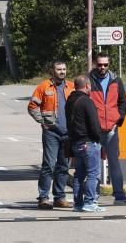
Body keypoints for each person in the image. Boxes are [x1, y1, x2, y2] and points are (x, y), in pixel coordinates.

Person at [27, 61, 74, 210]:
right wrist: (42, 122)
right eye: (59, 69)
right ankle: (44, 197)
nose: (62, 72)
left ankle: (59, 197)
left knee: (63, 166)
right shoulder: (43, 86)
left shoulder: (71, 87)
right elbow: (32, 106)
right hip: (51, 133)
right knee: (49, 165)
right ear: (52, 71)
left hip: (67, 133)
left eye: (64, 69)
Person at [89, 53, 126, 204]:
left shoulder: (116, 80)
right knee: (94, 164)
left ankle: (119, 194)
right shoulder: (89, 81)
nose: (103, 68)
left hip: (112, 129)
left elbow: (123, 102)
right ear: (95, 64)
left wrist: (118, 120)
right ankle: (93, 195)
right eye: (100, 64)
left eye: (105, 65)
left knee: (114, 162)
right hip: (95, 130)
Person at [65, 75, 104, 213]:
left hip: (75, 143)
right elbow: (94, 124)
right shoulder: (87, 101)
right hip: (88, 142)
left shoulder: (70, 100)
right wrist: (98, 138)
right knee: (93, 173)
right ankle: (89, 202)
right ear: (87, 86)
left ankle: (78, 203)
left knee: (79, 174)